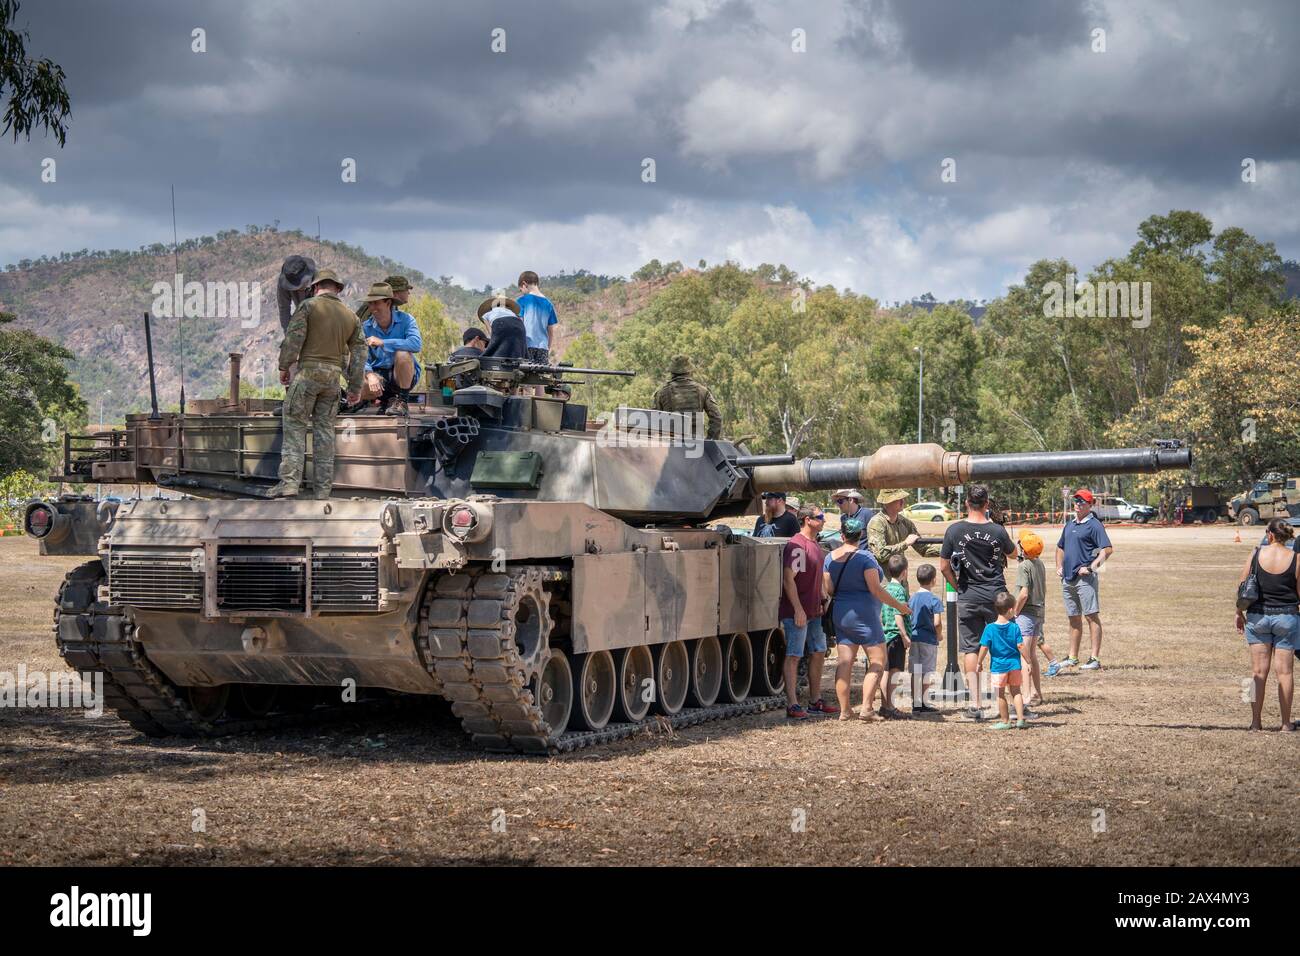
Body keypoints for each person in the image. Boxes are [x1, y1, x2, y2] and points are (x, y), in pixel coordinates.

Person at [271, 269, 364, 499]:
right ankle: (322, 491)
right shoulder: (352, 316)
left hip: (308, 375)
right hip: (332, 381)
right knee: (324, 434)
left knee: (295, 428)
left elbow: (294, 339)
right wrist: (354, 388)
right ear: (338, 288)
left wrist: (285, 366)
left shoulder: (308, 307)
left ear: (315, 287)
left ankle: (290, 485)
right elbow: (360, 353)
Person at [939, 484, 1015, 721]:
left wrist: (959, 584)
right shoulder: (998, 531)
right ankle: (1004, 700)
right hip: (996, 595)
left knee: (971, 647)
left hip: (968, 595)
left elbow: (943, 566)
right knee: (1002, 647)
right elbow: (1013, 554)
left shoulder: (954, 530)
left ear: (966, 503)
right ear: (987, 503)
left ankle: (975, 704)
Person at [823, 516, 909, 722]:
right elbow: (876, 589)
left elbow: (829, 589)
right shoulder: (866, 558)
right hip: (866, 615)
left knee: (845, 662)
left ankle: (844, 711)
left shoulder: (829, 558)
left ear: (842, 535)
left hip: (842, 614)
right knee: (878, 661)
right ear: (860, 535)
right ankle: (867, 709)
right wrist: (899, 606)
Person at [1235, 517, 1296, 731]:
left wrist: (1238, 612)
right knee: (1285, 673)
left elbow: (1243, 586)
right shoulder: (1296, 558)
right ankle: (1286, 723)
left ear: (1269, 534)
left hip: (1257, 617)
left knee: (1257, 673)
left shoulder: (1255, 553)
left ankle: (1255, 722)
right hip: (1287, 618)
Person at [780, 506, 837, 719]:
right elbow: (789, 579)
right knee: (794, 655)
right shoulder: (798, 545)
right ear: (807, 520)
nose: (823, 520)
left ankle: (815, 700)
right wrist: (797, 609)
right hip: (799, 611)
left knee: (819, 651)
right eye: (820, 517)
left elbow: (817, 576)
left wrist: (823, 598)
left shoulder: (813, 544)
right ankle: (793, 704)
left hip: (814, 611)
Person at [1056, 487, 1113, 671]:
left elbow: (1107, 549)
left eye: (1082, 501)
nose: (1078, 504)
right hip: (1068, 578)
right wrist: (1059, 566)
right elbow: (1060, 547)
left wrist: (1090, 568)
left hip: (1085, 580)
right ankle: (1072, 657)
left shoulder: (1094, 524)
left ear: (1090, 505)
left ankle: (1094, 658)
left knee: (1091, 616)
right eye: (1076, 501)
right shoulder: (1070, 524)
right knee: (1073, 618)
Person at [358, 282, 422, 414]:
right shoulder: (365, 327)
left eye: (376, 303)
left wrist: (383, 342)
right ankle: (368, 401)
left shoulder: (406, 320)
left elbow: (416, 344)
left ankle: (402, 401)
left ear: (388, 303)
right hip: (379, 376)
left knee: (403, 354)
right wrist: (370, 374)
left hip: (402, 376)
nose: (372, 307)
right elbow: (361, 356)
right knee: (360, 384)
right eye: (370, 303)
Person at [1012, 530, 1059, 706]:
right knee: (1032, 654)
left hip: (1027, 613)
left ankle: (1026, 696)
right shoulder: (1039, 564)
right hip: (1039, 612)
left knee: (1024, 656)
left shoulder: (1024, 566)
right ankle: (1037, 693)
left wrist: (1015, 611)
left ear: (1024, 550)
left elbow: (1023, 594)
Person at [980, 591, 1027, 730]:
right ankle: (1020, 720)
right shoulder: (1014, 627)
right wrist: (1028, 660)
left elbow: (984, 647)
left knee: (1000, 694)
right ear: (1011, 610)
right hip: (1014, 665)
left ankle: (1005, 721)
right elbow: (1020, 645)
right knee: (1016, 691)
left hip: (998, 667)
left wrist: (979, 662)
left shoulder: (989, 628)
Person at [652, 355, 722, 440]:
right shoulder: (702, 391)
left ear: (672, 372)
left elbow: (654, 421)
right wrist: (710, 441)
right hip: (696, 446)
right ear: (689, 372)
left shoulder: (661, 393)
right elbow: (717, 417)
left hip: (670, 447)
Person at [878, 553, 913, 718]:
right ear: (904, 572)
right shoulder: (899, 590)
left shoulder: (885, 588)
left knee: (886, 672)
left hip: (885, 635)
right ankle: (890, 707)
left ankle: (884, 705)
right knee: (894, 672)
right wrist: (905, 635)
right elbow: (898, 614)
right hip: (896, 636)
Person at [867, 489, 941, 563]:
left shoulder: (905, 522)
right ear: (886, 503)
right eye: (898, 499)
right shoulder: (877, 523)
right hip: (882, 574)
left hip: (901, 573)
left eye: (902, 498)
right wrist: (905, 543)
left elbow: (923, 549)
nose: (902, 501)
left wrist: (947, 548)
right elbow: (880, 554)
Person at [908, 563, 944, 713]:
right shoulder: (934, 600)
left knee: (915, 671)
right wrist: (939, 634)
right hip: (928, 639)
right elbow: (937, 622)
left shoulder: (912, 598)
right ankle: (923, 702)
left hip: (914, 638)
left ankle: (915, 702)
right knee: (926, 672)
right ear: (934, 580)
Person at [516, 271, 558, 365]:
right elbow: (550, 332)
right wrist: (547, 348)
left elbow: (519, 325)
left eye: (520, 290)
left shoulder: (522, 300)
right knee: (540, 376)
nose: (522, 293)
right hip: (543, 348)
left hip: (527, 345)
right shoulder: (548, 304)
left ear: (524, 284)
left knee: (524, 377)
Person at [478, 295, 527, 361]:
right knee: (518, 347)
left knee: (495, 348)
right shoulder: (513, 313)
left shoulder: (487, 314)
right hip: (519, 324)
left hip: (500, 323)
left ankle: (485, 361)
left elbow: (491, 333)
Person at [276, 255, 316, 333]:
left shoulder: (320, 280)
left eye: (303, 284)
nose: (301, 288)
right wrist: (288, 334)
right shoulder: (285, 283)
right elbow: (284, 308)